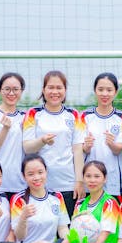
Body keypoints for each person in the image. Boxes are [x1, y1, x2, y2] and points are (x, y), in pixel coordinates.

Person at [23, 70, 86, 217]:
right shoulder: (33, 113)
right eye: (50, 87)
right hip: (40, 184)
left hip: (68, 184)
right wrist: (42, 141)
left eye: (59, 88)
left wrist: (79, 181)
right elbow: (27, 148)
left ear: (65, 90)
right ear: (43, 90)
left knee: (67, 233)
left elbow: (78, 150)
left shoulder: (75, 115)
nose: (55, 91)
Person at [82, 73, 122, 202]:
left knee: (111, 220)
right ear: (95, 91)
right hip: (89, 184)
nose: (105, 94)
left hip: (113, 183)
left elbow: (118, 149)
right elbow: (81, 150)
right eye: (101, 90)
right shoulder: (84, 117)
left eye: (109, 90)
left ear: (115, 92)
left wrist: (111, 144)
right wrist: (86, 147)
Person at [10, 154, 71, 243]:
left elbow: (62, 227)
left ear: (46, 172)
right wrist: (23, 217)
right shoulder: (19, 200)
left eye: (40, 172)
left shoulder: (57, 197)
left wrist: (67, 239)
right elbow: (20, 236)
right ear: (23, 176)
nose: (37, 177)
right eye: (31, 174)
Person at [71, 160, 122, 243]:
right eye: (88, 176)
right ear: (83, 178)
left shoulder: (110, 203)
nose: (92, 180)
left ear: (105, 178)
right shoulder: (80, 203)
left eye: (97, 176)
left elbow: (105, 232)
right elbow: (74, 228)